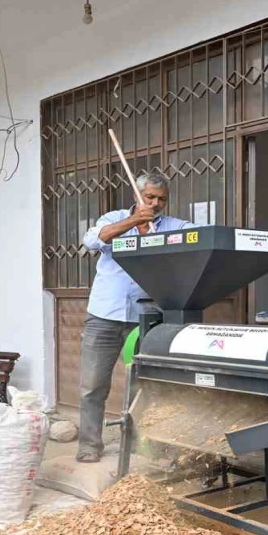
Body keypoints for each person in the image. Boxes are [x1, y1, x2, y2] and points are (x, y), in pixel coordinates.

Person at [76, 171, 195, 463]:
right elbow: (92, 240)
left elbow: (199, 235)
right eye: (149, 197)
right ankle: (89, 445)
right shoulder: (114, 218)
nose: (155, 204)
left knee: (144, 385)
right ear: (136, 194)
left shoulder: (172, 226)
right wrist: (133, 221)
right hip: (104, 315)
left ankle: (139, 444)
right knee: (93, 385)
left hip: (146, 318)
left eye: (161, 199)